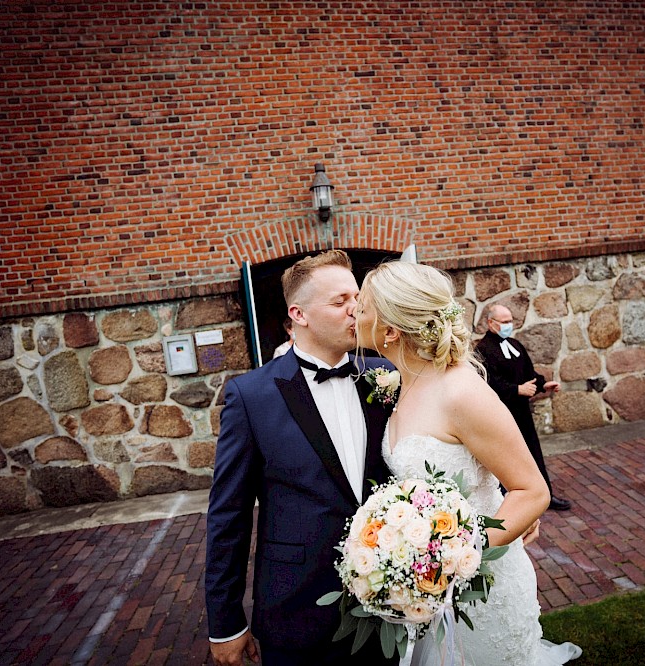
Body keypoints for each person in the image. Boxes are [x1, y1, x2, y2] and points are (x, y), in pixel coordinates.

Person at [355, 261, 581, 666]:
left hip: (482, 587)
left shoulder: (460, 391)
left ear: (390, 331)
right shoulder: (400, 380)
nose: (354, 310)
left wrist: (449, 561)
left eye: (363, 304)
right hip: (433, 592)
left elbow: (532, 490)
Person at [205, 250, 397, 666]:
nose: (356, 309)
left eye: (357, 297)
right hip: (298, 609)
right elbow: (229, 517)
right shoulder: (251, 396)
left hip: (393, 603)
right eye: (340, 300)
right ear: (300, 314)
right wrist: (225, 622)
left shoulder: (386, 375)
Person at [476, 304, 572, 512]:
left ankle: (545, 496)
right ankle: (508, 503)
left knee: (533, 454)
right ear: (491, 323)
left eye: (511, 321)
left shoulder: (515, 345)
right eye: (504, 322)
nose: (509, 325)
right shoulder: (483, 350)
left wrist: (542, 384)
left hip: (522, 413)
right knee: (507, 458)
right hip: (502, 414)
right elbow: (487, 382)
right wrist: (516, 389)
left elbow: (528, 374)